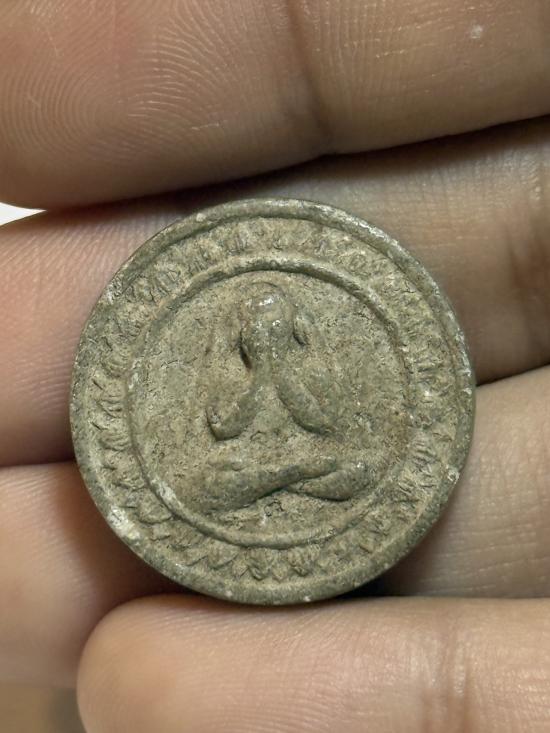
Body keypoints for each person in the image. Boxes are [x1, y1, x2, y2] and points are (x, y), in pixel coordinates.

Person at [1, 2, 549, 730]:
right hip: (252, 470)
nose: (262, 330)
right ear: (240, 329)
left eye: (272, 321)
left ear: (289, 324)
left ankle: (283, 476)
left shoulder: (309, 366)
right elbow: (223, 427)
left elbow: (332, 426)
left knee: (356, 466)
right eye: (253, 324)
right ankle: (282, 476)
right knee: (203, 482)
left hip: (317, 463)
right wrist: (254, 376)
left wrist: (283, 372)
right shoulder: (228, 369)